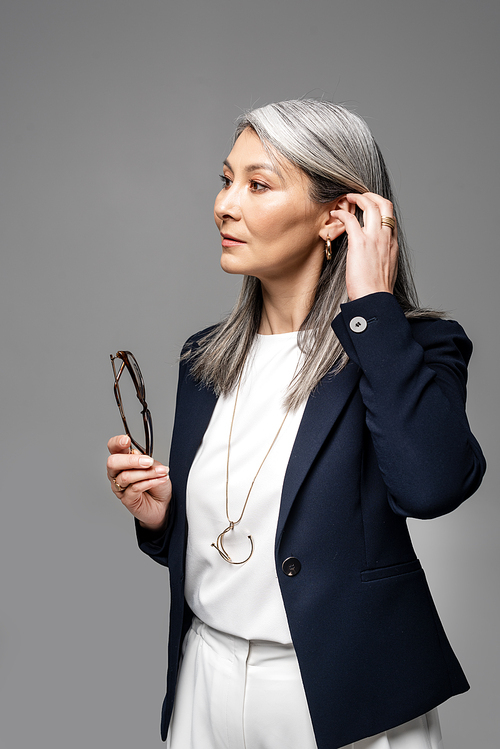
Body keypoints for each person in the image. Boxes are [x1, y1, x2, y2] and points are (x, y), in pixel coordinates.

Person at [106, 99, 486, 749]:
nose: (226, 204)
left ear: (338, 216)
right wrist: (165, 519)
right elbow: (245, 544)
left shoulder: (412, 348)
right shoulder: (204, 356)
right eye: (226, 180)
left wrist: (372, 308)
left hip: (344, 700)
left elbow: (432, 487)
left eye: (258, 184)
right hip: (205, 677)